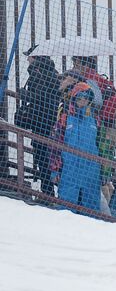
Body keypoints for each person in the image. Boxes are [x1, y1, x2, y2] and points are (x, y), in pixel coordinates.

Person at [51, 81, 103, 213]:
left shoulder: (95, 119)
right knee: (66, 207)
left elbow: (102, 146)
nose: (82, 101)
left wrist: (104, 171)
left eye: (86, 98)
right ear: (74, 98)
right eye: (79, 98)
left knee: (91, 208)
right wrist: (55, 169)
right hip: (70, 168)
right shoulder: (64, 118)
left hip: (91, 169)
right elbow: (55, 145)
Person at [15, 53, 62, 196]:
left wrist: (24, 94)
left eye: (29, 56)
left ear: (35, 58)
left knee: (42, 156)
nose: (27, 59)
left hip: (40, 121)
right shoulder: (52, 73)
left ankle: (47, 194)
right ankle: (50, 192)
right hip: (51, 120)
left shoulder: (38, 73)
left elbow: (41, 98)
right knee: (49, 156)